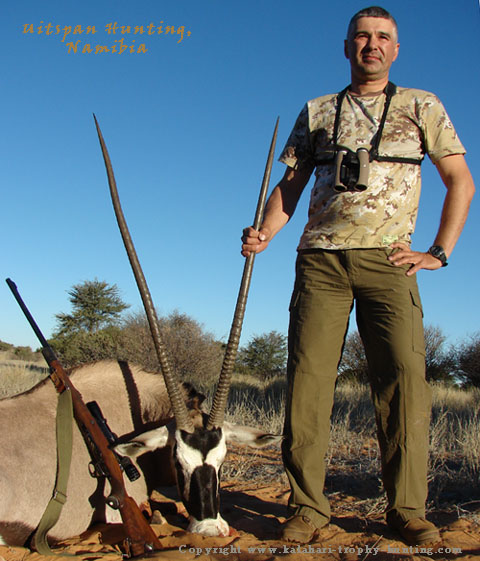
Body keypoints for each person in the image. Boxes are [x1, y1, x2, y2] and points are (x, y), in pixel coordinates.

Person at [241, 6, 475, 547]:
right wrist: (265, 232)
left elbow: (460, 179)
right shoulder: (318, 109)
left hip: (389, 264)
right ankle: (307, 508)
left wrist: (439, 251)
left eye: (383, 38)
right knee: (307, 385)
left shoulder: (422, 105)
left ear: (396, 49)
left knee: (403, 385)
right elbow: (292, 185)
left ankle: (408, 511)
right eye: (362, 37)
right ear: (346, 47)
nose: (372, 44)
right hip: (320, 260)